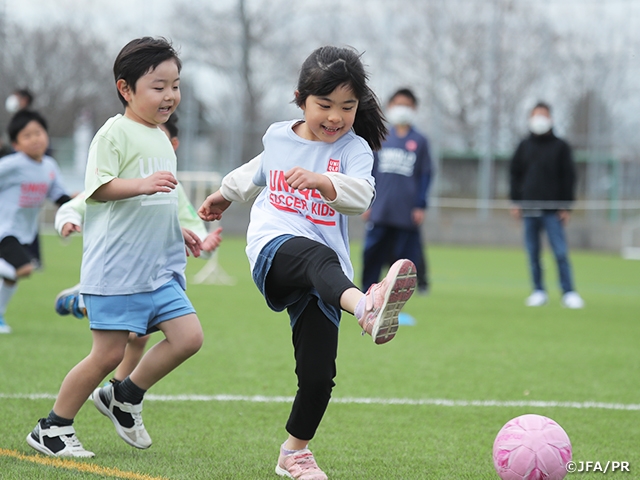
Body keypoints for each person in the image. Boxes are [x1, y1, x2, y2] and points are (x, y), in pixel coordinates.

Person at [198, 45, 417, 480]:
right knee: (312, 254)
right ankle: (367, 309)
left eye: (347, 106)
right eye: (324, 105)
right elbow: (257, 170)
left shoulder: (355, 151)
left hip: (328, 275)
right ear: (301, 98)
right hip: (273, 249)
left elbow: (362, 197)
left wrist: (322, 181)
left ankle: (294, 453)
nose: (335, 116)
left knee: (319, 375)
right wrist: (224, 194)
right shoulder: (279, 136)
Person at [27, 37, 204, 458]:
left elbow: (159, 199)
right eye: (158, 86)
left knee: (188, 338)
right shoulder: (113, 132)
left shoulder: (161, 137)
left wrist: (178, 230)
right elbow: (99, 188)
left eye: (175, 85)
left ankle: (124, 394)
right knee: (106, 354)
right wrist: (141, 185)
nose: (169, 96)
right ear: (126, 89)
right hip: (117, 271)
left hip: (158, 268)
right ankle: (53, 428)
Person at [53, 115, 223, 387]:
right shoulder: (120, 180)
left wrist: (204, 244)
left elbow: (191, 226)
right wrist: (67, 220)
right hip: (118, 275)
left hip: (153, 276)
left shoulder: (172, 190)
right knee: (117, 347)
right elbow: (81, 201)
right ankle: (83, 301)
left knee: (145, 337)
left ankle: (118, 390)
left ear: (172, 145)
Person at [0, 110, 72, 334]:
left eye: (38, 133)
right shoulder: (13, 164)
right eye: (27, 135)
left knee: (12, 277)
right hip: (5, 228)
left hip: (24, 232)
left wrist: (74, 209)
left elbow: (59, 195)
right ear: (16, 143)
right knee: (23, 269)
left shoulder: (49, 166)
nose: (35, 139)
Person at [509, 101, 584, 309]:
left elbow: (569, 177)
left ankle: (568, 292)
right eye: (535, 115)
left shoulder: (561, 146)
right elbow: (515, 175)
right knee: (533, 253)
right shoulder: (524, 145)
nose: (539, 119)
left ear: (550, 118)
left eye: (543, 115)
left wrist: (566, 206)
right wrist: (516, 201)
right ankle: (538, 290)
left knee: (560, 252)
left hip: (553, 210)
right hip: (529, 209)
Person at [361, 88, 433, 294]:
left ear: (414, 109)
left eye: (407, 105)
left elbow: (425, 175)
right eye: (398, 104)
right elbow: (369, 171)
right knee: (372, 254)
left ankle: (399, 298)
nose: (402, 109)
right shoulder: (380, 136)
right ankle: (367, 295)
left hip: (406, 212)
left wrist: (420, 205)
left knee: (403, 260)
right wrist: (367, 203)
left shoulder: (420, 141)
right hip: (380, 209)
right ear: (390, 106)